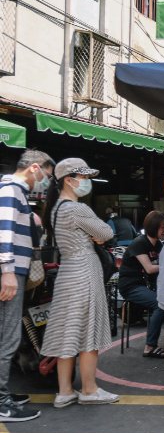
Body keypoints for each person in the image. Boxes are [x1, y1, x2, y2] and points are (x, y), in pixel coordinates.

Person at [40, 158, 119, 408]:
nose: (86, 182)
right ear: (68, 180)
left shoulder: (56, 209)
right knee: (89, 333)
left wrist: (94, 235)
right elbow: (106, 233)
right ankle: (89, 389)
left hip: (67, 273)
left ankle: (65, 391)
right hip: (85, 271)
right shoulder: (77, 208)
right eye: (83, 177)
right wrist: (96, 235)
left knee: (67, 332)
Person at [0, 150, 54, 421]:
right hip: (9, 273)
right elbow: (4, 231)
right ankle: (0, 402)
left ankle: (3, 393)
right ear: (35, 168)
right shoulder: (11, 190)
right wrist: (7, 271)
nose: (45, 180)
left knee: (7, 335)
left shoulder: (13, 191)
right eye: (46, 174)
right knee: (6, 337)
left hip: (12, 272)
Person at [117, 211, 164, 358]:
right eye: (162, 227)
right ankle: (149, 347)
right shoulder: (139, 243)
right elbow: (150, 268)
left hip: (145, 285)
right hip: (131, 286)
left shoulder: (158, 244)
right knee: (159, 304)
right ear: (153, 227)